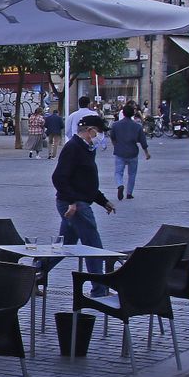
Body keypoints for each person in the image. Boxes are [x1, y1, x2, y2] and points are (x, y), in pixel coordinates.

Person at [53, 114, 116, 289]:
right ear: (90, 131)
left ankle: (35, 273)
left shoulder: (88, 149)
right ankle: (99, 290)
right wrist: (72, 201)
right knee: (94, 246)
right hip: (74, 205)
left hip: (77, 201)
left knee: (65, 246)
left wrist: (103, 201)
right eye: (100, 132)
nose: (101, 136)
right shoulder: (73, 147)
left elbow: (86, 182)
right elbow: (59, 177)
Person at [108, 104, 151, 200]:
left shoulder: (116, 125)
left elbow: (112, 137)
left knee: (118, 172)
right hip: (133, 152)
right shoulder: (137, 126)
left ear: (123, 113)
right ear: (133, 114)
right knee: (132, 174)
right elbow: (143, 141)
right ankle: (129, 193)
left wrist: (115, 145)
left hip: (120, 151)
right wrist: (146, 153)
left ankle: (120, 185)